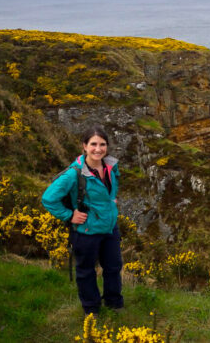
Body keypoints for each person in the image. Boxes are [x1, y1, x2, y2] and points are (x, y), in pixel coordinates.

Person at [42, 125, 123, 315]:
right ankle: (92, 309)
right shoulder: (74, 173)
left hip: (109, 228)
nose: (98, 149)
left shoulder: (111, 166)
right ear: (84, 146)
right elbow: (48, 198)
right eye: (93, 144)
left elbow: (113, 184)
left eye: (102, 144)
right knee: (86, 271)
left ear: (107, 146)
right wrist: (69, 216)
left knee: (113, 267)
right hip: (86, 231)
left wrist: (111, 199)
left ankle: (114, 304)